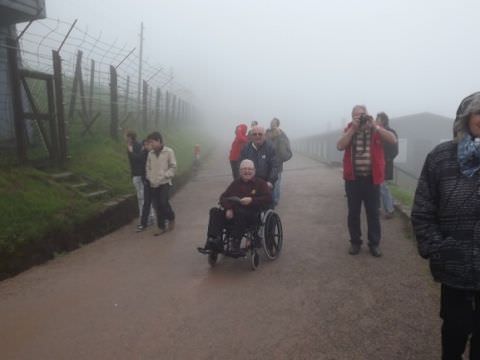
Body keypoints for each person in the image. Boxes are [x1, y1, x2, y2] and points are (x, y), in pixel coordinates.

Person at [411, 92, 480, 359]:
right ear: (465, 118)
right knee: (454, 334)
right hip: (454, 266)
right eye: (478, 112)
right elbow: (423, 209)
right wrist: (437, 249)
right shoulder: (441, 157)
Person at [336, 105, 397, 257]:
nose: (360, 118)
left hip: (372, 180)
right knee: (353, 213)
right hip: (353, 180)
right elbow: (339, 146)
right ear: (352, 117)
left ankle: (374, 244)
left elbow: (393, 140)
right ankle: (355, 242)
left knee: (373, 213)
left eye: (362, 115)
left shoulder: (375, 128)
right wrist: (353, 129)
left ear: (368, 115)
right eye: (356, 116)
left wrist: (375, 127)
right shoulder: (350, 129)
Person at [203, 159, 272, 255]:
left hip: (252, 216)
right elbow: (223, 197)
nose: (247, 171)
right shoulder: (235, 183)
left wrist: (252, 200)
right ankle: (213, 240)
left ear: (254, 171)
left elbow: (268, 198)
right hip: (233, 213)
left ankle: (235, 243)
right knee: (214, 211)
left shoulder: (260, 183)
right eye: (244, 169)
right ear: (240, 171)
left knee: (240, 212)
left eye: (249, 169)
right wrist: (228, 208)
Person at [145, 131, 177, 235]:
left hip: (165, 182)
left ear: (158, 140)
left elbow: (173, 166)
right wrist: (149, 177)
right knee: (157, 205)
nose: (151, 145)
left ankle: (171, 217)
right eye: (149, 143)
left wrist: (165, 175)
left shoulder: (169, 151)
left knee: (163, 202)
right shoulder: (150, 154)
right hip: (153, 183)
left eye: (152, 142)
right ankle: (161, 227)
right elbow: (148, 167)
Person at [125, 130, 153, 229]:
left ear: (130, 137)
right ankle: (149, 217)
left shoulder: (135, 146)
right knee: (144, 197)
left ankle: (145, 218)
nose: (125, 138)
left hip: (139, 175)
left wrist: (130, 151)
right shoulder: (139, 145)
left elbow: (138, 159)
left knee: (142, 198)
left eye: (126, 137)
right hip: (139, 174)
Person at [240, 125, 279, 192]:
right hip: (249, 184)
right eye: (254, 134)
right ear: (251, 136)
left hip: (266, 184)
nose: (257, 136)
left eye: (260, 134)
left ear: (264, 136)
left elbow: (274, 167)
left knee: (267, 201)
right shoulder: (245, 148)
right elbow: (240, 166)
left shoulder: (270, 148)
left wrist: (270, 181)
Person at [375, 112, 398, 219]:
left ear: (383, 120)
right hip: (376, 165)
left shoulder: (390, 132)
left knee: (382, 187)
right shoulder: (376, 131)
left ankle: (390, 210)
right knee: (378, 187)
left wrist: (386, 160)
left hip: (384, 165)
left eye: (378, 119)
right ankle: (379, 208)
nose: (376, 120)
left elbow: (395, 150)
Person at [266, 118, 292, 207]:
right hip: (266, 163)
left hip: (277, 164)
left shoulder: (282, 134)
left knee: (276, 183)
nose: (271, 124)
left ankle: (275, 201)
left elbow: (285, 150)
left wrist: (279, 136)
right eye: (271, 122)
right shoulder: (267, 133)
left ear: (277, 124)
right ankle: (269, 200)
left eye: (273, 123)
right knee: (267, 182)